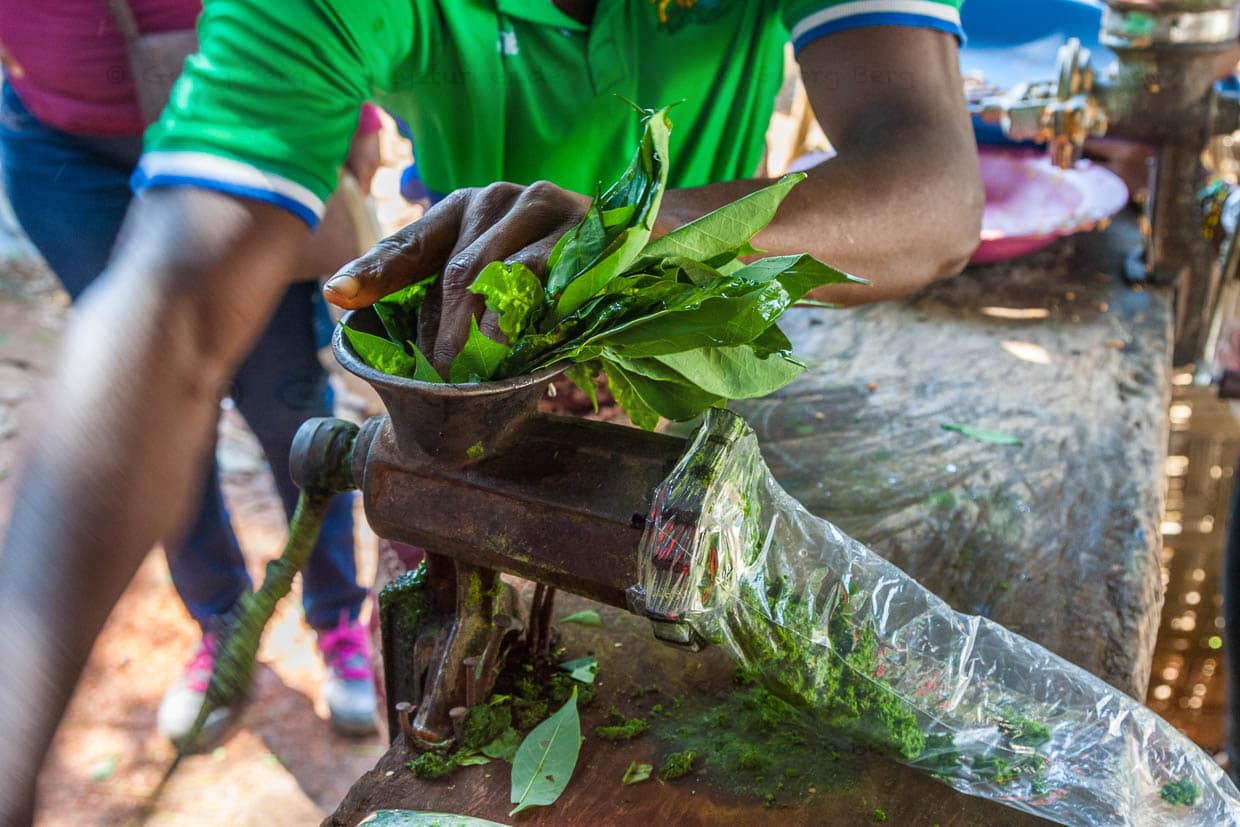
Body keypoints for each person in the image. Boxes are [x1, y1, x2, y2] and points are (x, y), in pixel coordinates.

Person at [0, 0, 983, 820]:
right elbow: (171, 300)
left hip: (688, 409)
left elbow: (930, 190)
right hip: (470, 402)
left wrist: (635, 242)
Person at [0, 0, 381, 748]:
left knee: (288, 406)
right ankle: (222, 622)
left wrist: (356, 104)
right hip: (63, 148)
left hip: (247, 124)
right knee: (157, 414)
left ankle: (338, 617)